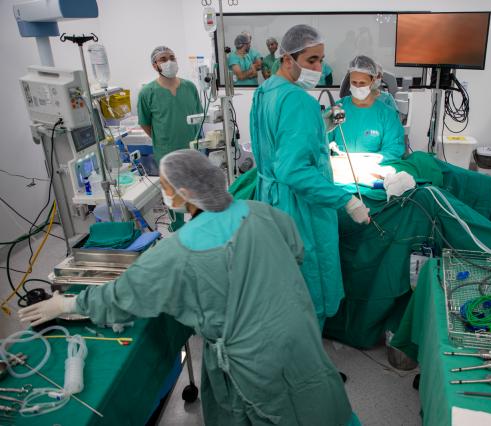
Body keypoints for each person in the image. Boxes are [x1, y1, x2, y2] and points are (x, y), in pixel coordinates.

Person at [19, 149, 357, 426]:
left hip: (253, 358)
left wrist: (65, 305)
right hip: (299, 332)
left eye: (167, 187)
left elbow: (121, 296)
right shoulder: (261, 211)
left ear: (187, 192)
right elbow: (296, 252)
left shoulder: (180, 249)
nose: (165, 194)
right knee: (315, 400)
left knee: (265, 411)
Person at [250, 24, 370, 329]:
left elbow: (275, 142)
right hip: (299, 207)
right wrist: (346, 200)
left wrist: (320, 126)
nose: (319, 68)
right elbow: (293, 170)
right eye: (311, 60)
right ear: (287, 59)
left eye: (321, 60)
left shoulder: (265, 91)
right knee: (310, 284)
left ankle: (292, 344)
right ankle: (307, 352)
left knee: (284, 279)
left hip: (271, 201)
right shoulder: (298, 100)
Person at [138, 45, 202, 231]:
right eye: (163, 59)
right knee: (173, 194)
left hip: (191, 148)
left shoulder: (189, 87)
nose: (169, 62)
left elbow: (198, 116)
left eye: (172, 58)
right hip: (166, 151)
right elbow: (145, 123)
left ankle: (199, 224)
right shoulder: (147, 92)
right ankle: (177, 226)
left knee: (194, 190)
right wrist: (162, 139)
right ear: (155, 65)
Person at [326, 55, 405, 162]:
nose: (357, 87)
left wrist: (370, 161)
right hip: (340, 168)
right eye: (354, 82)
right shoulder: (337, 109)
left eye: (362, 83)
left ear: (373, 81)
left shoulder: (387, 114)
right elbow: (320, 144)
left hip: (374, 169)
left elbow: (393, 149)